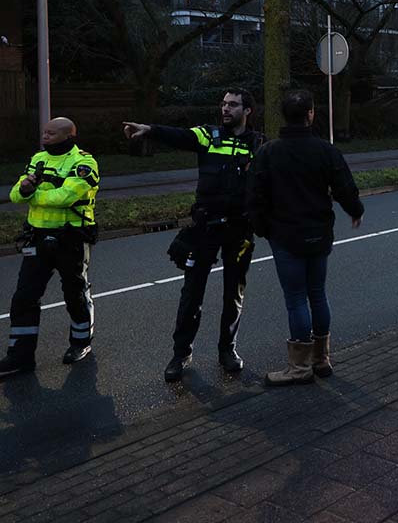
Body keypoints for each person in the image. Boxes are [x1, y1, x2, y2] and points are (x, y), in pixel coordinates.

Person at [123, 89, 264, 382]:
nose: (225, 109)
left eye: (233, 105)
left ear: (247, 111)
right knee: (191, 294)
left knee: (233, 293)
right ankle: (181, 353)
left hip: (239, 229)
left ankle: (228, 350)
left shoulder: (258, 144)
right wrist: (150, 129)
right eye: (223, 104)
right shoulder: (207, 135)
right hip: (205, 227)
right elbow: (180, 136)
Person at [247, 89, 363, 386]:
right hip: (319, 233)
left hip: (285, 235)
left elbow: (256, 195)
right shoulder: (326, 150)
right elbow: (344, 187)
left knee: (296, 298)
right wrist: (355, 210)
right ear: (311, 114)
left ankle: (299, 368)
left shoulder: (269, 152)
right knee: (317, 293)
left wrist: (263, 228)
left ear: (284, 116)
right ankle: (322, 360)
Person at [0, 118, 99, 379]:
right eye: (44, 131)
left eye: (51, 133)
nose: (45, 135)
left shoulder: (84, 162)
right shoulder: (38, 159)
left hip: (71, 239)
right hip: (37, 239)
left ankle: (80, 343)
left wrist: (33, 195)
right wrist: (25, 189)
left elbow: (66, 197)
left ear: (68, 135)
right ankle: (20, 357)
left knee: (75, 293)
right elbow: (15, 194)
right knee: (24, 297)